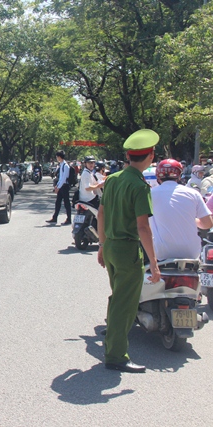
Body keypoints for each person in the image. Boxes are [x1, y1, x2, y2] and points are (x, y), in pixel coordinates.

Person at [97, 129, 161, 374]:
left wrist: (102, 245)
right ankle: (116, 355)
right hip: (127, 249)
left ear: (128, 155)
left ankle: (112, 341)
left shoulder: (113, 179)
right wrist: (154, 263)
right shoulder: (138, 185)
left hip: (111, 245)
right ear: (151, 156)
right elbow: (143, 227)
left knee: (118, 296)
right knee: (126, 303)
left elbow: (101, 214)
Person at [150, 159, 212, 260]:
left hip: (160, 254)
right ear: (179, 175)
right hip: (191, 253)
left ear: (158, 176)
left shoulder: (149, 195)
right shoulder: (193, 193)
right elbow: (207, 224)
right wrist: (191, 219)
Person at [46, 150, 72, 225]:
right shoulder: (61, 165)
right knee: (58, 203)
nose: (56, 158)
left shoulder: (65, 166)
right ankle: (55, 218)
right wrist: (57, 186)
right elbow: (60, 178)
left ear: (60, 157)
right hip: (61, 186)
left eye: (57, 157)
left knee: (66, 203)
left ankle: (69, 219)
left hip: (65, 186)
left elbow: (64, 178)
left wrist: (58, 187)